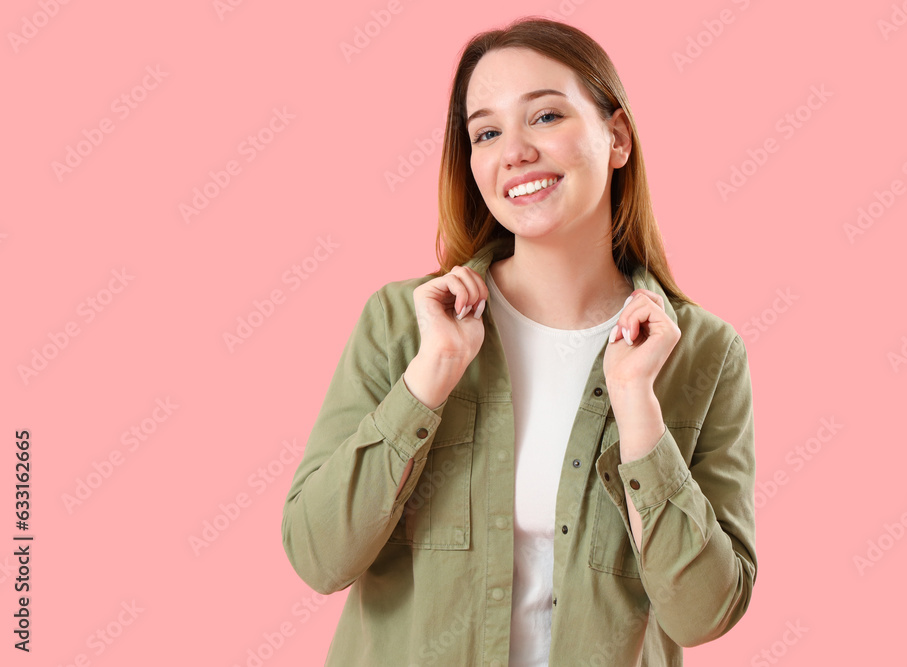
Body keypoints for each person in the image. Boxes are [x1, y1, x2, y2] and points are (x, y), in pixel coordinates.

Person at [281, 16, 757, 667]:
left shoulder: (703, 351)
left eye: (545, 117)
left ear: (616, 137)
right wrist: (431, 375)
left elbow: (704, 611)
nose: (515, 151)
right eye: (486, 131)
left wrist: (637, 406)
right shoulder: (402, 323)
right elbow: (316, 553)